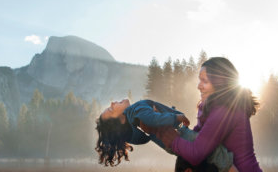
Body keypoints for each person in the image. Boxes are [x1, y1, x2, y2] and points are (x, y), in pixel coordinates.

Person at [156, 57, 262, 172]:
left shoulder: (225, 111)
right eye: (199, 80)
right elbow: (194, 138)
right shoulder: (215, 109)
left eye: (204, 81)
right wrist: (164, 124)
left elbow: (196, 153)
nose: (198, 86)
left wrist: (172, 139)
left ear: (220, 83)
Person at [95, 99, 234, 172]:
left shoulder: (132, 132)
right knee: (216, 153)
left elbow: (148, 132)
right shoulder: (135, 109)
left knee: (207, 163)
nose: (112, 103)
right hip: (181, 135)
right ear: (121, 119)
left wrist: (168, 114)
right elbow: (152, 119)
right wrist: (176, 118)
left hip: (173, 145)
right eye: (111, 109)